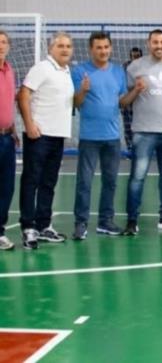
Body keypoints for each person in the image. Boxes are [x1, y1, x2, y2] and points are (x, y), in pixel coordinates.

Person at [121, 29, 162, 235]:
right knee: (137, 177)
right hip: (143, 132)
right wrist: (136, 90)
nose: (159, 46)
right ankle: (132, 220)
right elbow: (124, 100)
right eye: (155, 42)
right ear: (148, 44)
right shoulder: (135, 67)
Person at [17, 32, 75, 249]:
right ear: (51, 48)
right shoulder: (42, 67)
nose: (65, 49)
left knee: (48, 183)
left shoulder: (66, 71)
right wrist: (29, 124)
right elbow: (23, 94)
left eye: (68, 46)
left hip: (57, 136)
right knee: (31, 181)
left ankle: (43, 225)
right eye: (60, 45)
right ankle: (28, 227)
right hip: (39, 136)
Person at [71, 31, 127, 240]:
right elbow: (76, 103)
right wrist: (83, 90)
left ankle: (105, 222)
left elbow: (121, 101)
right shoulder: (79, 71)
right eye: (98, 47)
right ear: (90, 49)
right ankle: (81, 223)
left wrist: (137, 91)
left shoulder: (118, 71)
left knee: (110, 182)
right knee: (84, 182)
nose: (103, 51)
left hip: (112, 138)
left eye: (106, 47)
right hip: (89, 138)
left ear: (110, 48)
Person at [0, 31, 19, 251]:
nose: (1, 45)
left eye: (4, 42)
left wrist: (12, 126)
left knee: (6, 188)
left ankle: (0, 232)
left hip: (6, 138)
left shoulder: (10, 70)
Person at [121, 47, 143, 155]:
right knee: (128, 126)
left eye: (138, 56)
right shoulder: (125, 67)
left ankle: (141, 148)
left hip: (141, 101)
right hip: (128, 101)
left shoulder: (145, 68)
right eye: (134, 56)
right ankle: (130, 148)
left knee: (140, 126)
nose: (135, 59)